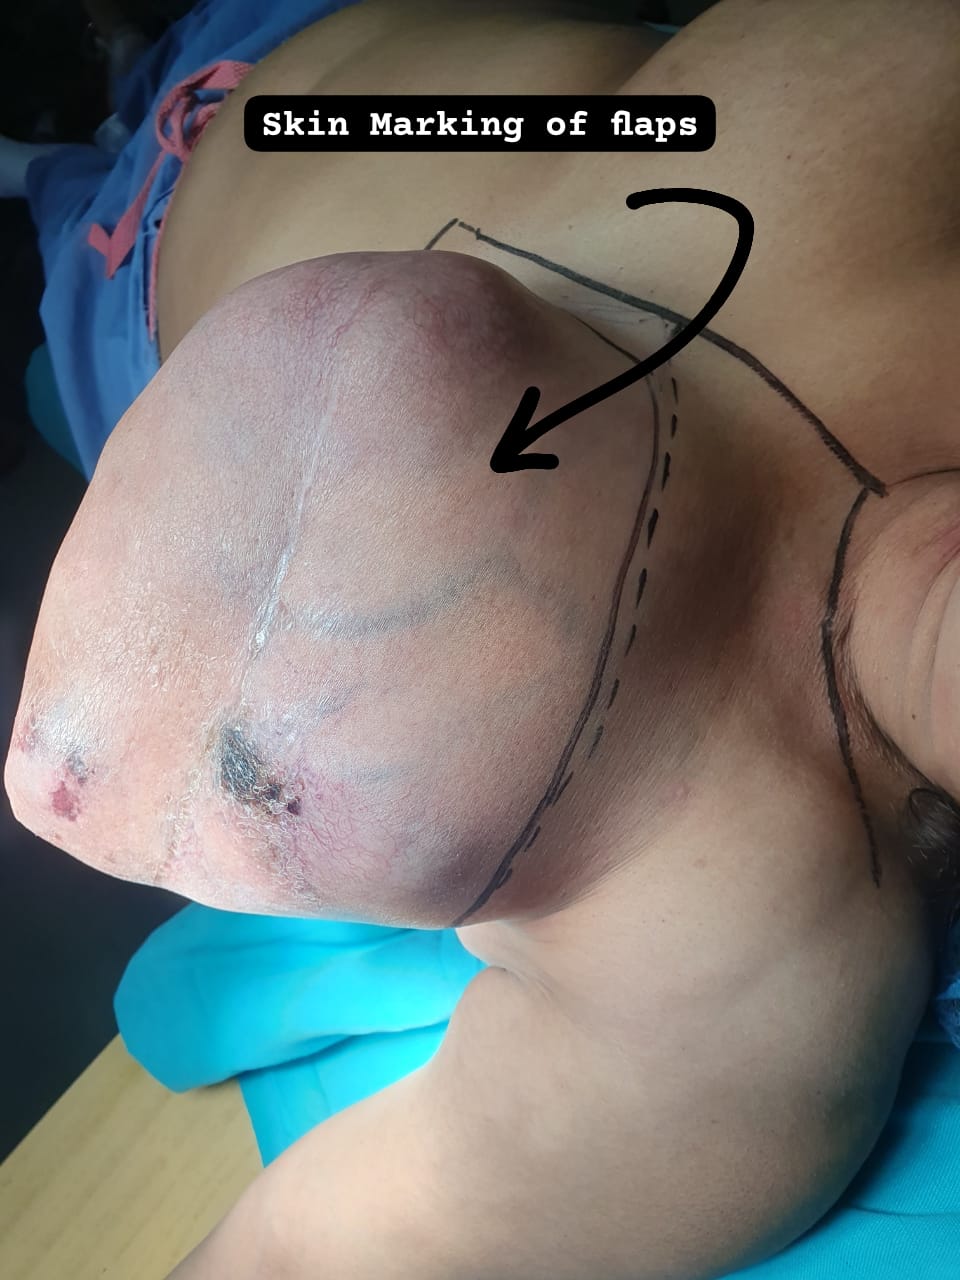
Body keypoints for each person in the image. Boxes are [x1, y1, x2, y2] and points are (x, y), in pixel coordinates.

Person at [5, 0, 960, 1276]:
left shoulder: (745, 939)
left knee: (75, 194)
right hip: (318, 59)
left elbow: (310, 1245)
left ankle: (71, 145)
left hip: (156, 259)